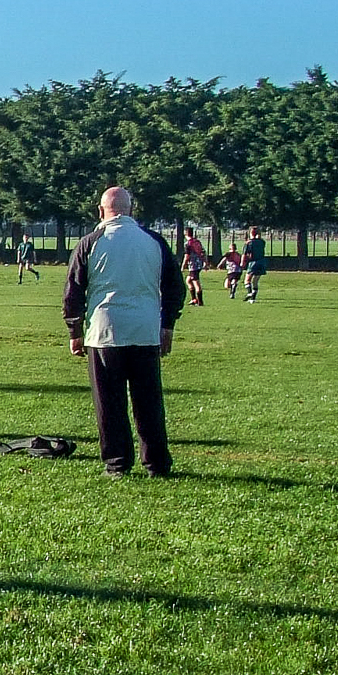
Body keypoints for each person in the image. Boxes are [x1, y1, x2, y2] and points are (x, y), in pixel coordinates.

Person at [63, 187, 184, 478]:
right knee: (149, 401)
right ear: (131, 209)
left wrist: (74, 330)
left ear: (100, 210)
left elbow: (74, 290)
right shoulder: (154, 241)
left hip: (105, 332)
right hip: (145, 330)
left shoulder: (90, 242)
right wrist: (167, 324)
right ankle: (156, 463)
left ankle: (117, 463)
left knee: (109, 402)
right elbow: (175, 287)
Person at [181, 229, 207, 306]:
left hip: (193, 265)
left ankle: (200, 302)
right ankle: (194, 299)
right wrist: (205, 262)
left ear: (185, 234)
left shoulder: (188, 244)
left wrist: (183, 266)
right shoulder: (197, 242)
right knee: (188, 280)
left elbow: (187, 256)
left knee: (196, 283)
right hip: (199, 263)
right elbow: (203, 252)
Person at [242, 226, 267, 302]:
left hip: (253, 262)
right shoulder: (262, 242)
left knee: (247, 281)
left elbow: (244, 254)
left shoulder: (249, 243)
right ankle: (253, 299)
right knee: (255, 281)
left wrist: (242, 263)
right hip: (262, 262)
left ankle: (249, 293)